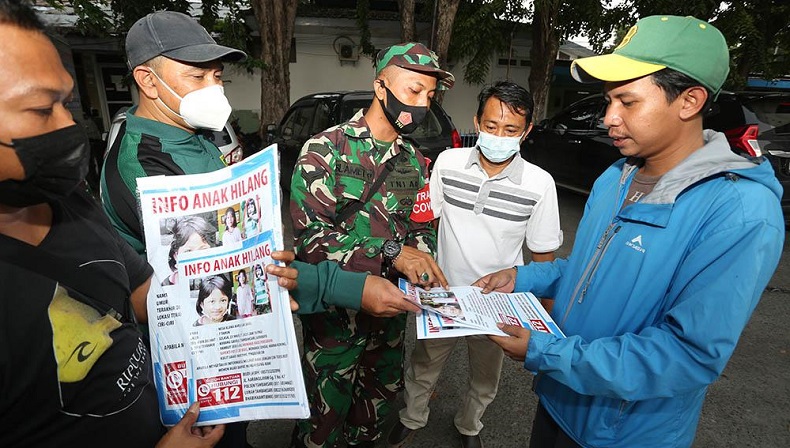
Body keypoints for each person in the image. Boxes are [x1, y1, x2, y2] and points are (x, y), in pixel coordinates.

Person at [476, 15, 784, 448]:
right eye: (607, 101)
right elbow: (591, 269)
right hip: (559, 400)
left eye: (627, 101)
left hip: (624, 432)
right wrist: (524, 278)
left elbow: (687, 354)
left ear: (690, 100)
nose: (608, 118)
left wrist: (546, 353)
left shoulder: (739, 211)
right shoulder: (615, 178)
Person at [0, 1, 227, 445]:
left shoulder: (70, 200)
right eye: (42, 110)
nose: (70, 127)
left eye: (67, 103)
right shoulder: (142, 162)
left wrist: (243, 304)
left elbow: (143, 288)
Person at [289, 42, 454, 448]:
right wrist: (391, 253)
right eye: (413, 91)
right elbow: (312, 243)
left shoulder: (416, 162)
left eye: (430, 97)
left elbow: (420, 228)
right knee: (321, 426)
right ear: (381, 87)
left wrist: (421, 261)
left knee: (371, 421)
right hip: (334, 322)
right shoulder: (324, 150)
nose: (422, 104)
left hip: (389, 323)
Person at [388, 81, 562, 448]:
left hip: (497, 303)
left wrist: (548, 324)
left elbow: (544, 259)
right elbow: (424, 222)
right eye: (491, 126)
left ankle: (470, 426)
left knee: (486, 377)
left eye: (511, 130)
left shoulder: (541, 184)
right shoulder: (448, 164)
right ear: (476, 122)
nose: (499, 136)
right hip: (442, 293)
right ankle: (412, 416)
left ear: (526, 131)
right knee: (423, 365)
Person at [100, 10, 246, 255]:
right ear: (148, 80)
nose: (215, 88)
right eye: (198, 76)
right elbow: (204, 255)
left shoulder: (192, 130)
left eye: (218, 76)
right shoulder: (144, 167)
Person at [162, 215, 217, 286]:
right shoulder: (166, 284)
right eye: (188, 252)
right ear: (176, 256)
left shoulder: (221, 280)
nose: (196, 258)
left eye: (203, 250)